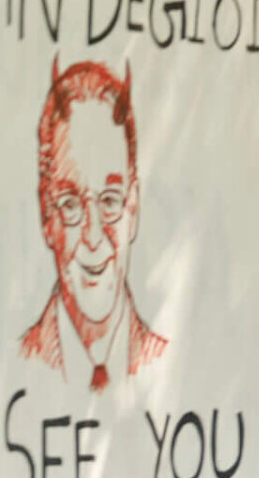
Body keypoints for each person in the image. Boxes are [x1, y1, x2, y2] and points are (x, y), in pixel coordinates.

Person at [18, 59, 166, 390]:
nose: (93, 236)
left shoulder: (167, 366)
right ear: (46, 214)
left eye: (110, 201)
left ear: (134, 208)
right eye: (70, 205)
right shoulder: (22, 362)